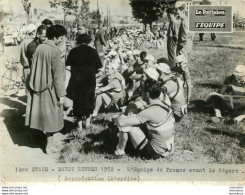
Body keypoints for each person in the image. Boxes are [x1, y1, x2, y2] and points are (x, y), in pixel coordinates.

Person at [108, 78, 175, 159]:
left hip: (155, 153)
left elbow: (122, 122)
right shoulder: (163, 104)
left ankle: (119, 152)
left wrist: (115, 118)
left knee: (127, 124)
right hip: (167, 148)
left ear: (147, 94)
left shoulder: (150, 112)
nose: (140, 92)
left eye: (141, 90)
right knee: (132, 114)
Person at [25, 25, 66, 154]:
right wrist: (61, 95)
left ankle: (41, 141)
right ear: (54, 37)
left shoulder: (39, 47)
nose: (61, 41)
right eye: (60, 38)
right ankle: (49, 146)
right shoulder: (55, 51)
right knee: (52, 117)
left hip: (37, 88)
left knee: (42, 117)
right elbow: (58, 76)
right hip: (49, 89)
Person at [66, 34, 102, 130]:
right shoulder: (93, 51)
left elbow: (67, 66)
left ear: (78, 41)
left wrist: (75, 72)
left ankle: (79, 126)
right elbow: (99, 67)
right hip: (89, 80)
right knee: (89, 99)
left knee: (77, 101)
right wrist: (92, 72)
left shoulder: (73, 51)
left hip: (76, 80)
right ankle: (88, 123)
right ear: (89, 41)